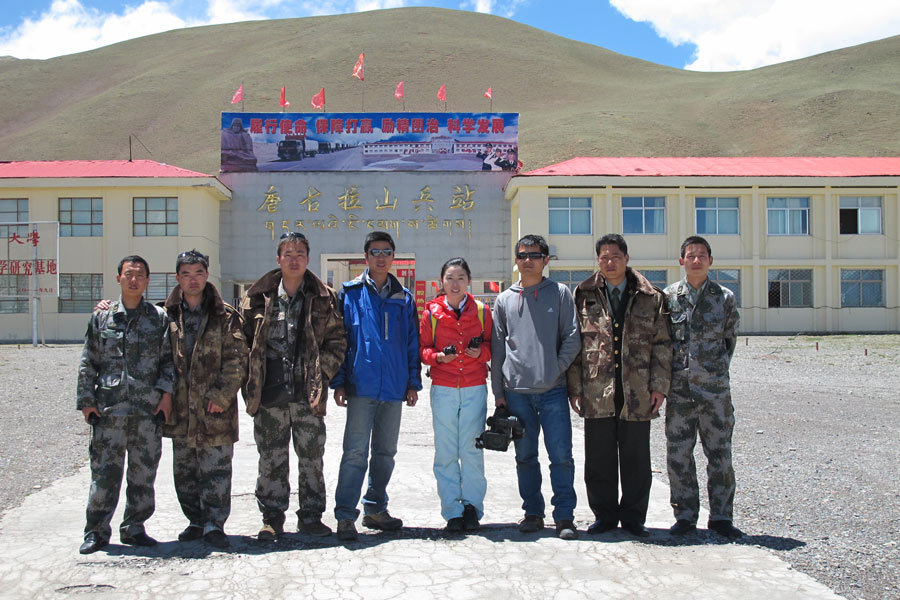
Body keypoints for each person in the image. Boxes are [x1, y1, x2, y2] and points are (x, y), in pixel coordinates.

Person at [240, 232, 346, 541]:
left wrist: (321, 373)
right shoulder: (257, 297)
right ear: (278, 259)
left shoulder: (324, 296)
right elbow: (241, 340)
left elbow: (337, 341)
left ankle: (311, 517)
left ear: (308, 259)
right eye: (288, 253)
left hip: (307, 394)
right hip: (270, 392)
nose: (294, 258)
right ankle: (272, 519)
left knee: (311, 457)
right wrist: (251, 378)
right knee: (271, 458)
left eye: (300, 252)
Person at [567, 234, 671, 538]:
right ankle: (605, 516)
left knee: (636, 458)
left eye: (615, 256)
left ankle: (634, 518)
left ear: (626, 258)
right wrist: (575, 387)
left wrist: (659, 387)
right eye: (603, 256)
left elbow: (663, 345)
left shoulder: (650, 296)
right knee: (598, 457)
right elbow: (574, 345)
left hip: (637, 389)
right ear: (597, 260)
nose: (609, 262)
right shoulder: (583, 294)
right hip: (596, 389)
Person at [76, 255, 174, 554]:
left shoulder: (158, 318)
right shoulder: (102, 318)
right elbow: (88, 362)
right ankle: (96, 531)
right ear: (118, 278)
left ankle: (134, 527)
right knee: (104, 474)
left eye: (140, 274)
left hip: (147, 412)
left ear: (147, 280)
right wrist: (86, 401)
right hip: (109, 412)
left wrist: (166, 396)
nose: (134, 279)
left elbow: (168, 362)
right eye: (129, 274)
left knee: (143, 474)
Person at [331, 231, 422, 542]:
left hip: (394, 388)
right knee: (354, 453)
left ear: (393, 257)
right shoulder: (350, 293)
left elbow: (412, 343)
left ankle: (375, 507)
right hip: (361, 386)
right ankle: (345, 515)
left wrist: (412, 382)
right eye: (374, 252)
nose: (380, 257)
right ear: (366, 257)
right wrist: (340, 381)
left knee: (385, 452)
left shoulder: (404, 298)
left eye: (386, 251)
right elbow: (341, 341)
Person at [491, 234, 581, 540]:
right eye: (522, 255)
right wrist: (499, 393)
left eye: (534, 255)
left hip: (553, 390)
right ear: (515, 260)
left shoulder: (559, 293)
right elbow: (498, 349)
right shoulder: (504, 300)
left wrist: (553, 370)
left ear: (545, 260)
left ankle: (565, 516)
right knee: (525, 457)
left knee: (561, 456)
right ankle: (532, 512)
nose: (527, 260)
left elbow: (572, 338)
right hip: (517, 394)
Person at [163, 250, 248, 549]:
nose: (192, 279)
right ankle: (195, 521)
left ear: (206, 275)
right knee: (184, 471)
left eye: (198, 272)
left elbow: (238, 359)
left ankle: (214, 524)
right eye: (185, 274)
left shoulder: (224, 315)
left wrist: (222, 395)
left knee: (216, 469)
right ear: (177, 278)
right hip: (180, 410)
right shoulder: (166, 315)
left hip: (216, 409)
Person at [664, 236, 743, 540]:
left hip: (714, 393)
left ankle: (721, 517)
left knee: (720, 455)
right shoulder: (670, 297)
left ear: (711, 260)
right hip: (680, 392)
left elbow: (729, 341)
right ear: (681, 261)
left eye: (701, 255)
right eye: (690, 255)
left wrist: (712, 372)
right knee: (679, 455)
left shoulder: (724, 298)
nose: (696, 260)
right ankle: (685, 515)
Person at [419, 257, 492, 532]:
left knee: (472, 449)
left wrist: (480, 352)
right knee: (446, 451)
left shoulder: (483, 312)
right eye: (450, 277)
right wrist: (438, 356)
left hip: (474, 386)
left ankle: (472, 507)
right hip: (444, 389)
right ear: (441, 282)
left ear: (469, 281)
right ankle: (452, 510)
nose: (455, 283)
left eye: (461, 277)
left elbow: (491, 346)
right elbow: (423, 349)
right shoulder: (430, 314)